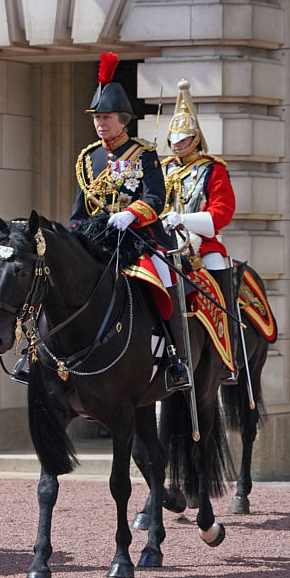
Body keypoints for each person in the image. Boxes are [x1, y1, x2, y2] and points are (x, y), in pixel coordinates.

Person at [69, 52, 190, 393]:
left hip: (140, 238)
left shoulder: (144, 153)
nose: (100, 123)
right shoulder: (88, 157)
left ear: (123, 120)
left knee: (164, 279)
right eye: (97, 117)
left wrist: (131, 214)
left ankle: (175, 357)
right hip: (99, 239)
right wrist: (72, 237)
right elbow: (80, 209)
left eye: (106, 117)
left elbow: (156, 198)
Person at [161, 79, 239, 384]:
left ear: (195, 139)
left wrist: (185, 219)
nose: (177, 145)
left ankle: (226, 356)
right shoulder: (164, 168)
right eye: (174, 140)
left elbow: (222, 212)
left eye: (183, 140)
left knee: (217, 273)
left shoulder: (213, 169)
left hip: (201, 246)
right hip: (165, 242)